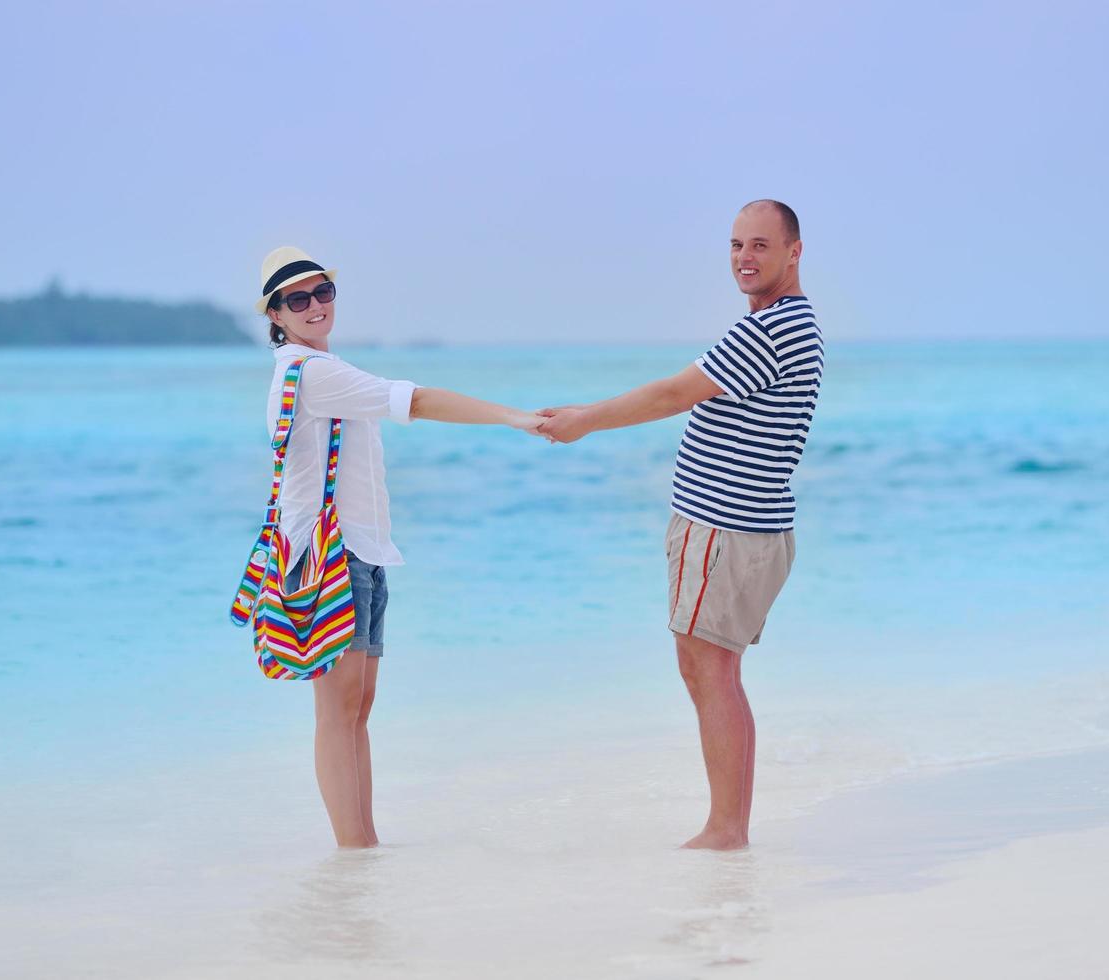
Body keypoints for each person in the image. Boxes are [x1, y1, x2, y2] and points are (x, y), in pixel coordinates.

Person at [538, 201, 823, 850]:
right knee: (711, 669)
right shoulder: (787, 324)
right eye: (733, 245)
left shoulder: (770, 330)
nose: (744, 258)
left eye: (759, 245)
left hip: (726, 530)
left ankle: (726, 830)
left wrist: (585, 420)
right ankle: (728, 825)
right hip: (745, 528)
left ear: (793, 252)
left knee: (709, 670)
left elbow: (674, 393)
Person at [255, 246, 544, 848]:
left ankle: (362, 847)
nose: (314, 306)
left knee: (356, 707)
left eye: (322, 292)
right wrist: (513, 417)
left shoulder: (315, 370)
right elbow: (415, 401)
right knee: (339, 713)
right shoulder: (314, 373)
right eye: (298, 299)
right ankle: (353, 847)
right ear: (276, 316)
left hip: (360, 551)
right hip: (330, 558)